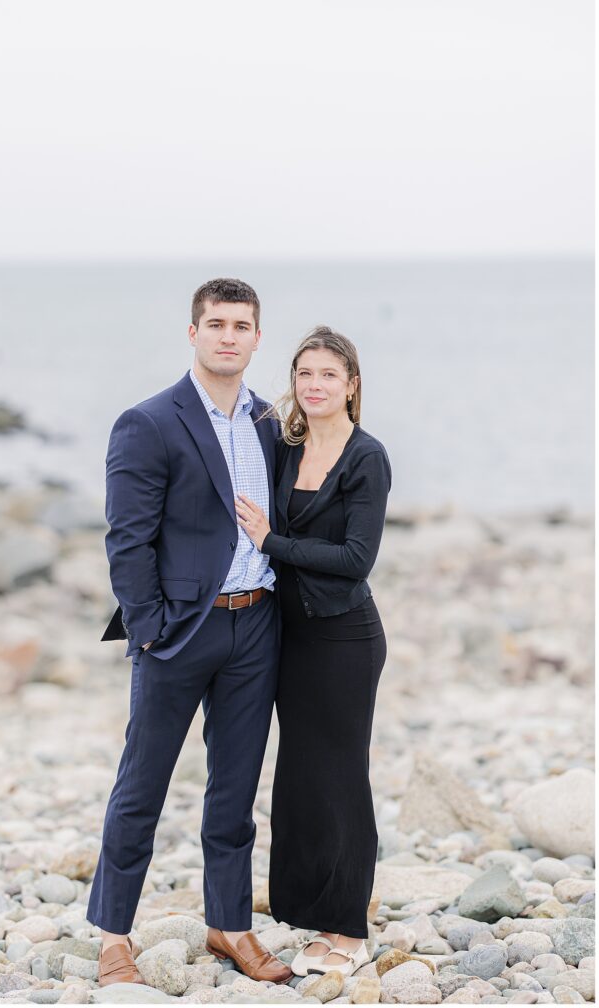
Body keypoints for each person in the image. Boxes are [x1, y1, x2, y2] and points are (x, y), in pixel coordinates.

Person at [86, 278, 292, 987]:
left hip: (255, 624)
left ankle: (229, 926)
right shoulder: (148, 422)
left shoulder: (270, 422)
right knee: (141, 788)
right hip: (178, 632)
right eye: (216, 324)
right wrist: (149, 631)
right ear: (193, 333)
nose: (228, 336)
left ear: (257, 338)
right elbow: (127, 539)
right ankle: (113, 937)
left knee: (234, 792)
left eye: (241, 326)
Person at [235, 325, 391, 979]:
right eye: (305, 374)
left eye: (329, 374)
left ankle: (348, 929)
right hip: (288, 635)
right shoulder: (286, 446)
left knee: (340, 777)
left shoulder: (366, 457)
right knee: (299, 778)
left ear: (351, 385)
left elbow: (356, 559)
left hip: (344, 638)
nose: (315, 385)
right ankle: (310, 915)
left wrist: (270, 542)